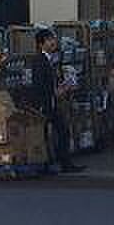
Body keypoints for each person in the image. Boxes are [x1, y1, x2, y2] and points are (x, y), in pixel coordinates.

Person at [30, 28, 85, 173]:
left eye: (53, 39)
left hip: (52, 102)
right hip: (45, 104)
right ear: (41, 44)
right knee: (49, 132)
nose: (53, 42)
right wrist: (54, 92)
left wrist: (62, 86)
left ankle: (63, 162)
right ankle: (50, 163)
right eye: (49, 40)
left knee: (62, 130)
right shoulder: (39, 60)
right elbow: (39, 84)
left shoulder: (51, 59)